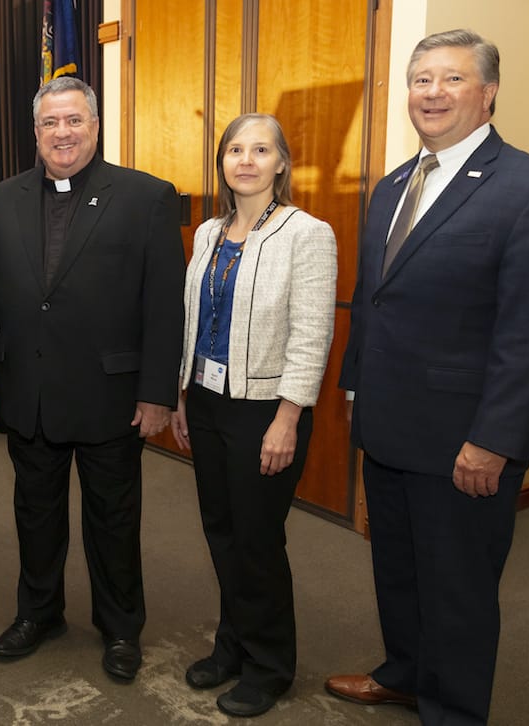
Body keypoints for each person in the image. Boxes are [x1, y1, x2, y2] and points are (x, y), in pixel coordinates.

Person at [329, 29, 529, 725]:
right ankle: (405, 675)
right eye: (420, 80)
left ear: (489, 93)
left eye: (451, 79)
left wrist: (495, 441)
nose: (432, 94)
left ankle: (453, 712)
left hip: (463, 445)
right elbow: (372, 299)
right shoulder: (389, 187)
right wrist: (357, 394)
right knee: (400, 576)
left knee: (459, 592)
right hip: (388, 427)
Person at [0, 76, 184, 682]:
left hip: (112, 396)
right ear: (34, 133)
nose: (62, 133)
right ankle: (39, 613)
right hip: (28, 395)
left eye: (74, 120)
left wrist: (158, 392)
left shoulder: (147, 197)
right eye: (49, 123)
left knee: (113, 519)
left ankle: (120, 628)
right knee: (34, 513)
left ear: (94, 125)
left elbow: (165, 306)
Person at [169, 113, 337, 717]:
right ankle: (232, 646)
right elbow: (195, 322)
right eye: (234, 149)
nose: (246, 160)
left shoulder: (306, 233)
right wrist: (183, 397)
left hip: (266, 410)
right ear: (223, 163)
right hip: (208, 403)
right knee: (221, 530)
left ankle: (270, 666)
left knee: (258, 540)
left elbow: (312, 334)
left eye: (260, 150)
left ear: (281, 162)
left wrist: (288, 418)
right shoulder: (209, 234)